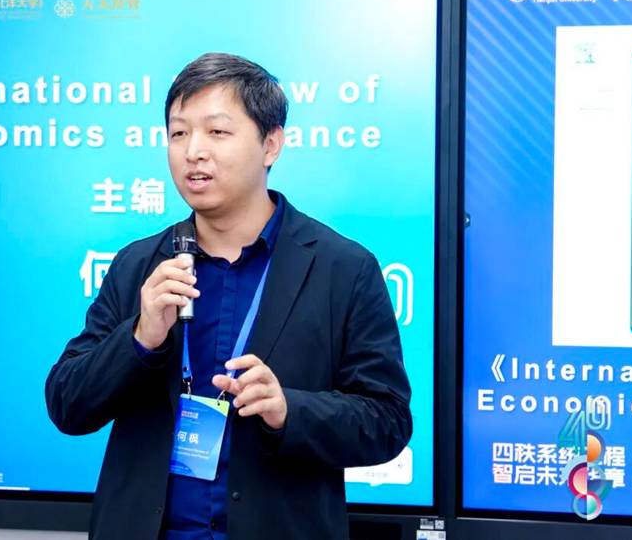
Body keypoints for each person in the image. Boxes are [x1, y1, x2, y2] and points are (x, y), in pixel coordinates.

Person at [45, 52, 412, 540]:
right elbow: (67, 405)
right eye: (179, 133)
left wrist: (289, 410)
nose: (193, 151)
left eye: (217, 131)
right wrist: (140, 338)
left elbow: (387, 421)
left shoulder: (342, 268)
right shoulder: (139, 266)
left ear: (271, 144)